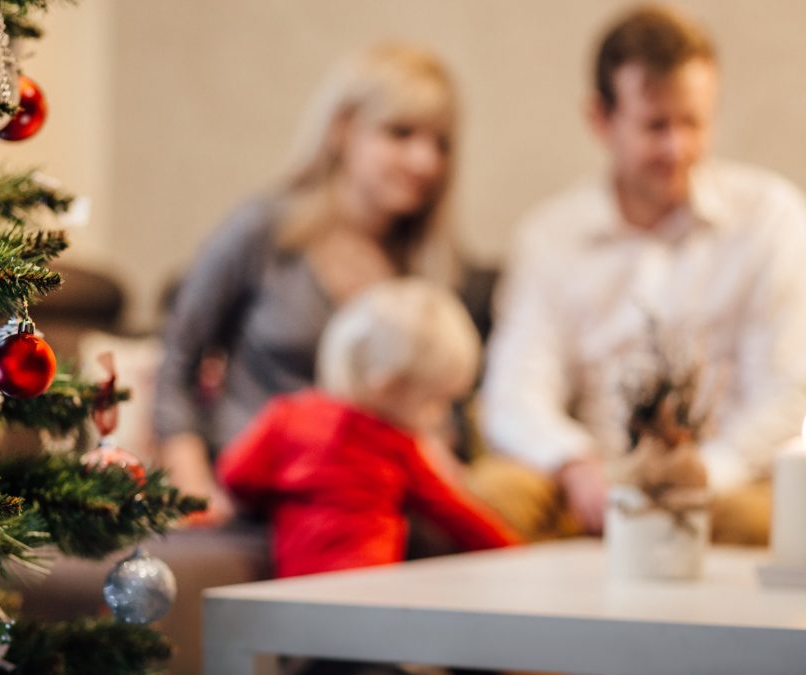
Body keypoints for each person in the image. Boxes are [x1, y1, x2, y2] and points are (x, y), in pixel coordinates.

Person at [479, 4, 806, 544]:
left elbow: (789, 390)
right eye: (655, 126)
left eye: (693, 122)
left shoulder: (770, 217)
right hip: (588, 484)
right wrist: (575, 464)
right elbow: (515, 391)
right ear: (600, 119)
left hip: (725, 486)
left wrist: (704, 473)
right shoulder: (549, 236)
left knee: (773, 522)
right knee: (492, 496)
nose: (678, 148)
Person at [153, 44, 461, 525]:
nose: (425, 160)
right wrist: (194, 488)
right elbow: (179, 357)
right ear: (343, 129)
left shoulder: (422, 269)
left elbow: (437, 410)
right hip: (260, 489)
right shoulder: (263, 230)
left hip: (369, 497)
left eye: (440, 143)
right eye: (400, 133)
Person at [217, 279, 521, 578]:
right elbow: (458, 515)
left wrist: (275, 501)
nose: (440, 418)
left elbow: (236, 474)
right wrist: (519, 556)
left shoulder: (286, 415)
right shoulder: (398, 445)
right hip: (369, 588)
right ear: (389, 388)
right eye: (436, 402)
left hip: (297, 590)